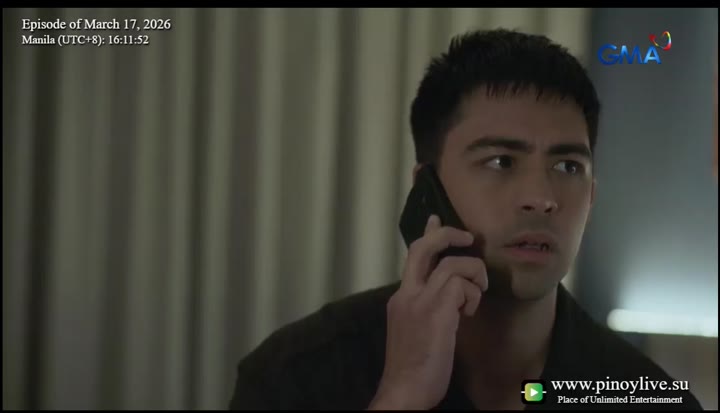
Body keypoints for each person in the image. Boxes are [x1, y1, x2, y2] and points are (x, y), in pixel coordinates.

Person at [228, 29, 703, 410]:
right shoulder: (297, 377)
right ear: (427, 189)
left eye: (567, 167)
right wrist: (402, 396)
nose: (542, 199)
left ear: (592, 197)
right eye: (501, 162)